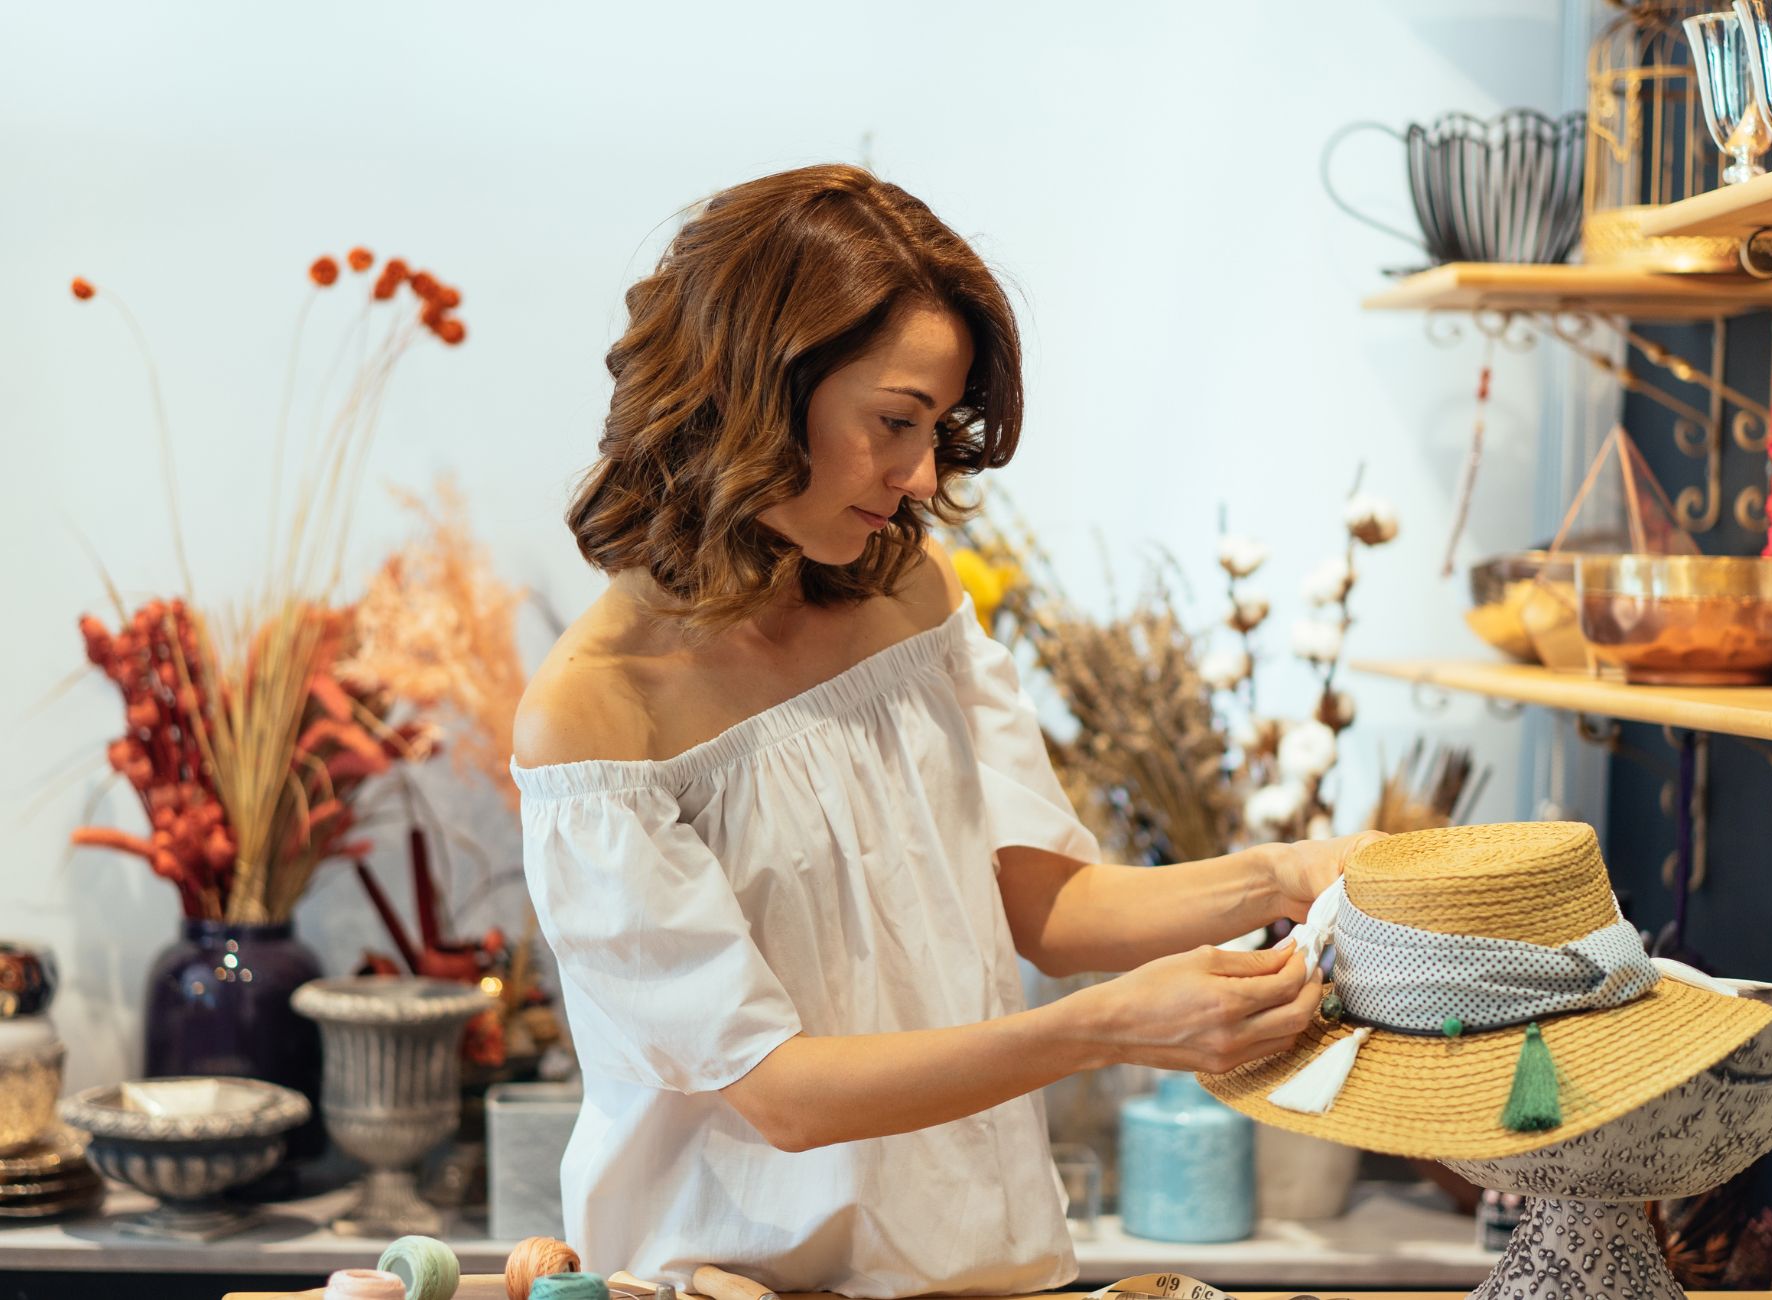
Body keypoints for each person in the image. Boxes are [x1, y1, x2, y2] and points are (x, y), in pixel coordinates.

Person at [511, 163, 1376, 1297]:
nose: (918, 475)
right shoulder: (595, 712)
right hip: (728, 1279)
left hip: (984, 1267)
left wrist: (1294, 872)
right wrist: (1102, 1032)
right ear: (760, 388)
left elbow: (1048, 906)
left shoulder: (905, 592)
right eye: (893, 422)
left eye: (935, 428)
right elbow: (782, 1093)